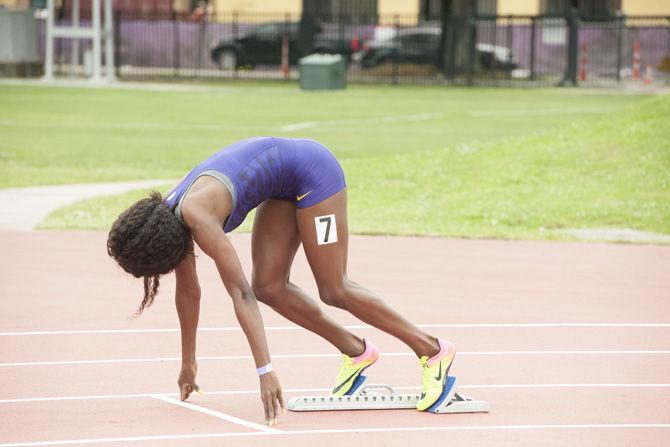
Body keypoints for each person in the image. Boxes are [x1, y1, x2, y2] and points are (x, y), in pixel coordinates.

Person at [107, 137, 456, 426]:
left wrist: (266, 370)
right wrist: (188, 362)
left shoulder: (197, 216)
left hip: (312, 172)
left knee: (334, 288)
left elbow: (240, 294)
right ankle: (358, 352)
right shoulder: (169, 218)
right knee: (270, 287)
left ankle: (432, 351)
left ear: (158, 250)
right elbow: (189, 294)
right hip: (282, 186)